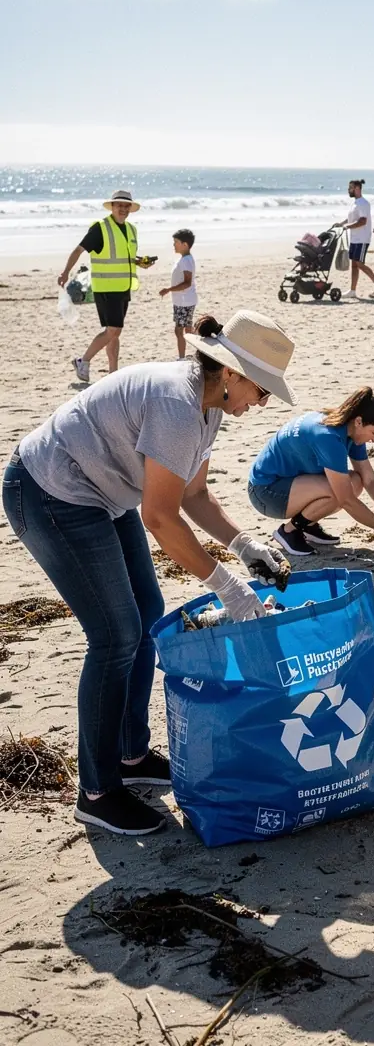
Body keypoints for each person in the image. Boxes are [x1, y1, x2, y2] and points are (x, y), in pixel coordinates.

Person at [2, 310, 295, 836]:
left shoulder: (209, 407)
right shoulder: (176, 402)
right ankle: (97, 791)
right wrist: (228, 588)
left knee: (148, 615)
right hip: (50, 492)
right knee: (116, 636)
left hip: (102, 496)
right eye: (263, 389)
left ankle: (133, 758)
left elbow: (194, 495)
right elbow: (159, 517)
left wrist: (243, 545)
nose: (263, 402)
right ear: (230, 373)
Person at [248, 389, 374, 557]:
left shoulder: (349, 429)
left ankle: (309, 525)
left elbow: (369, 479)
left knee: (356, 481)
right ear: (359, 421)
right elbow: (346, 500)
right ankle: (289, 531)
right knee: (337, 491)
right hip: (265, 492)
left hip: (291, 482)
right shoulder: (329, 437)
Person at [57, 190, 156, 383]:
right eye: (119, 205)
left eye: (126, 206)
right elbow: (79, 249)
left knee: (114, 331)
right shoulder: (100, 228)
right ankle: (83, 361)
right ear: (112, 206)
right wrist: (65, 272)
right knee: (113, 329)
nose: (123, 209)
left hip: (123, 287)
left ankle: (113, 373)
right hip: (105, 287)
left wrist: (140, 262)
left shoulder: (131, 230)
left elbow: (125, 257)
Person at [160, 229, 197, 358]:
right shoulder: (184, 259)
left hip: (184, 300)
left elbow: (187, 283)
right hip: (183, 300)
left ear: (185, 244)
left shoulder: (186, 260)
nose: (174, 245)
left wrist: (168, 289)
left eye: (176, 242)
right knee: (187, 328)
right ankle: (191, 354)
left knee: (180, 330)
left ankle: (182, 357)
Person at [336, 179, 374, 297]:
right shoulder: (355, 203)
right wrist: (341, 224)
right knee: (354, 265)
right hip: (354, 238)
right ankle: (352, 291)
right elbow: (351, 220)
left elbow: (363, 221)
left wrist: (348, 227)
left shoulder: (363, 203)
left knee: (359, 263)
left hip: (362, 238)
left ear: (357, 189)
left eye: (350, 188)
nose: (349, 190)